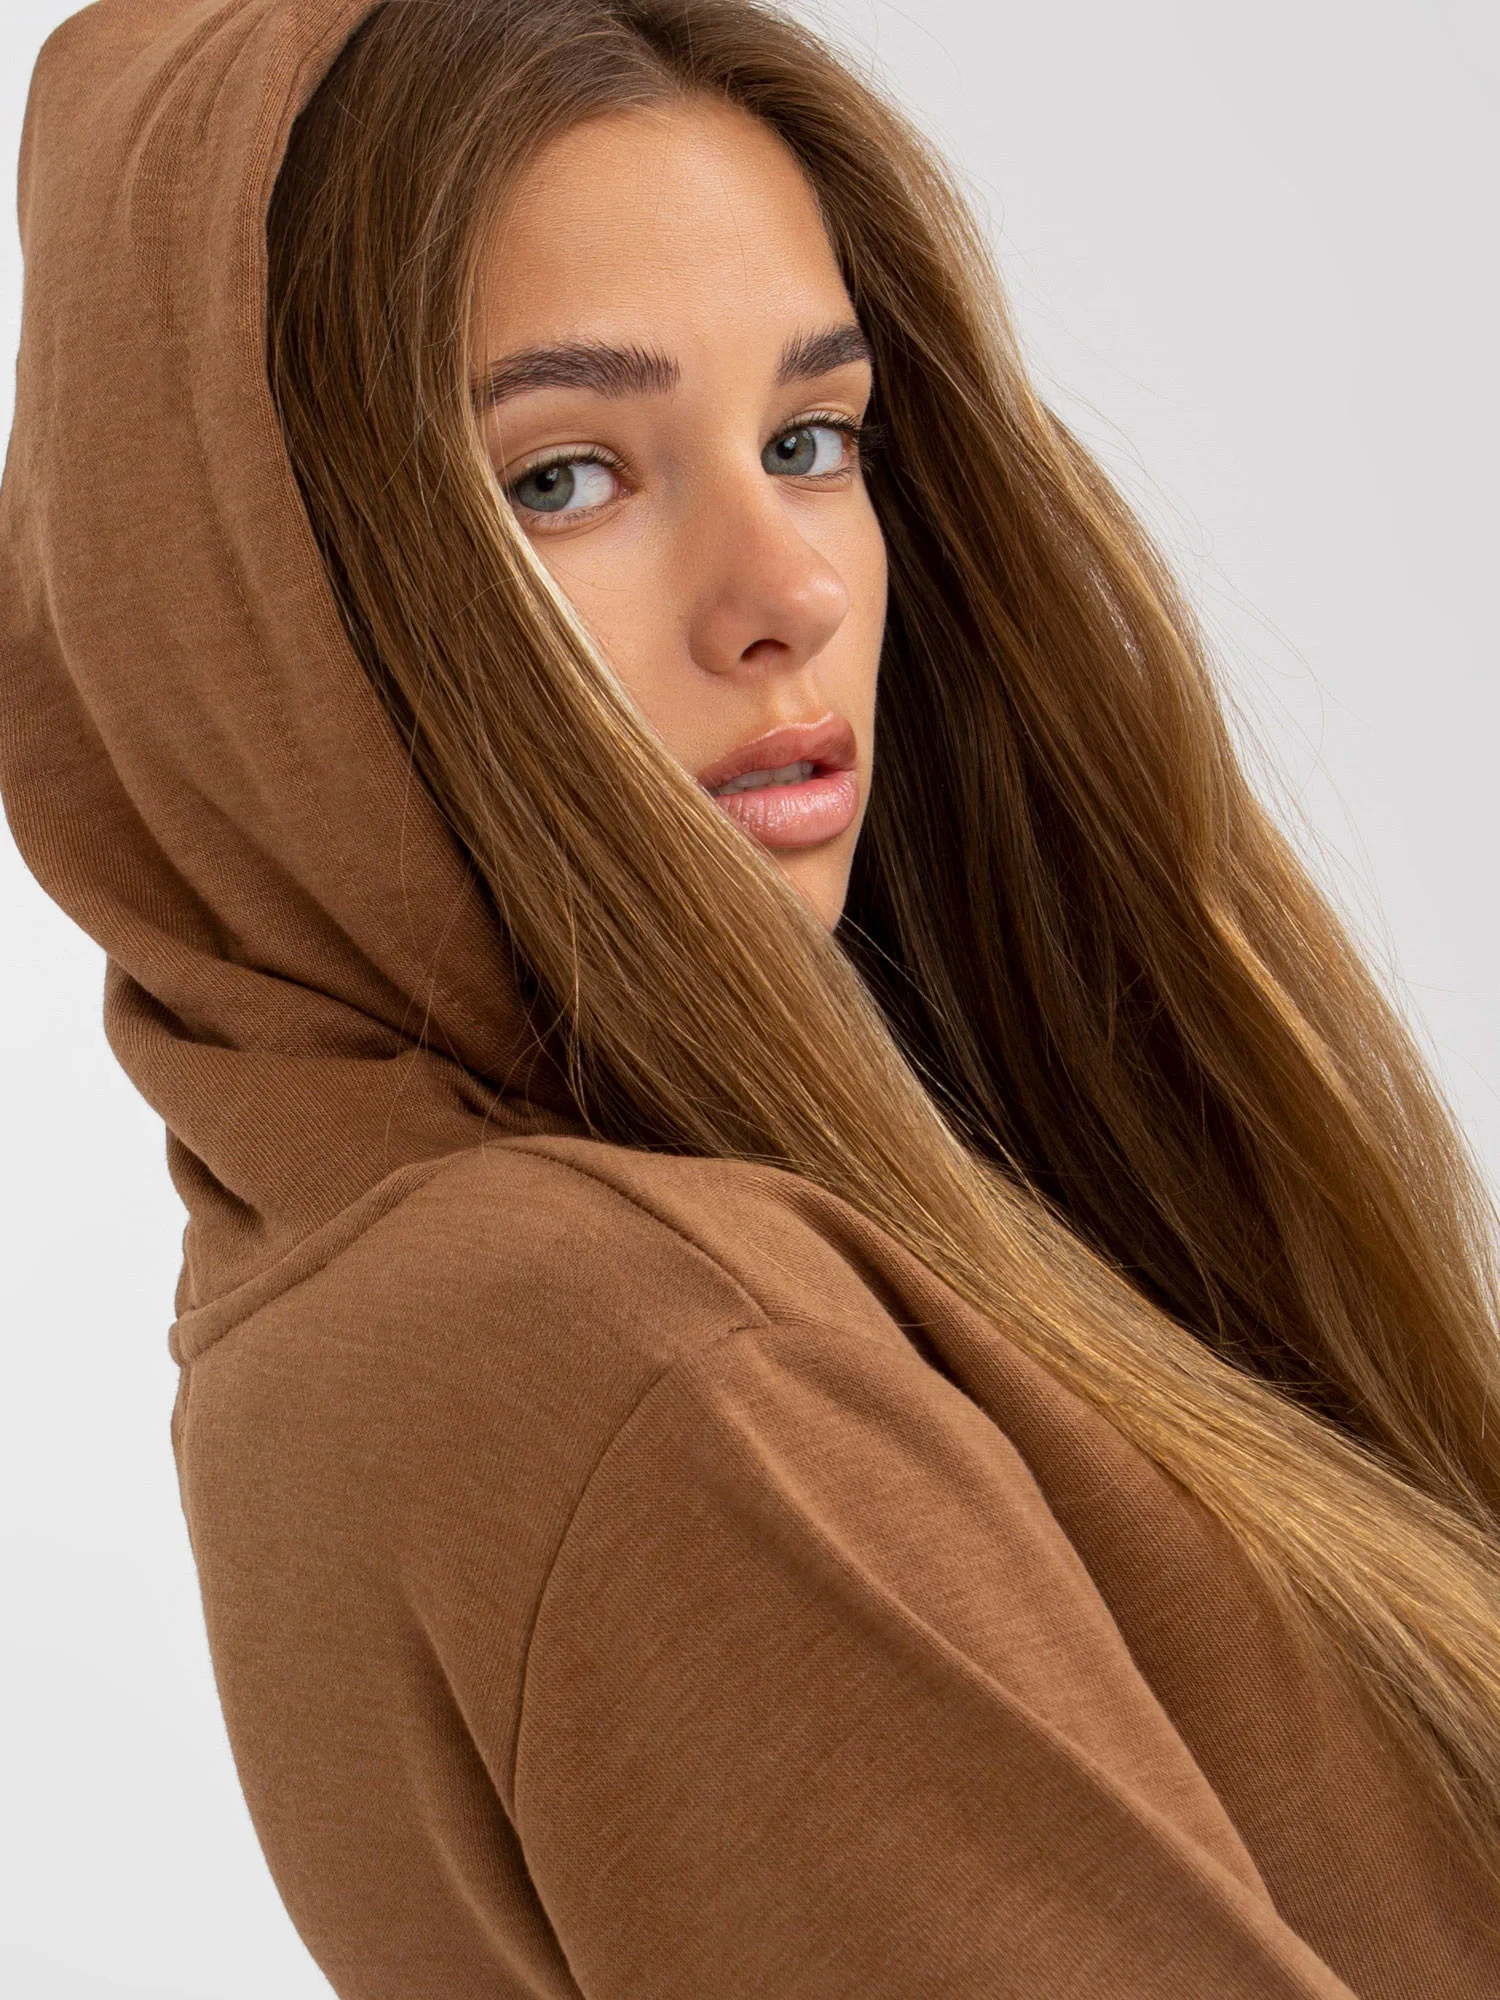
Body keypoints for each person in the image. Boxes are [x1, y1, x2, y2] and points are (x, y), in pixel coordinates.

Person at [3, 0, 1498, 1993]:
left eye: (810, 440)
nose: (787, 590)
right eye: (565, 478)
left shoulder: (357, 1291)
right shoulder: (650, 1353)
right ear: (254, 612)